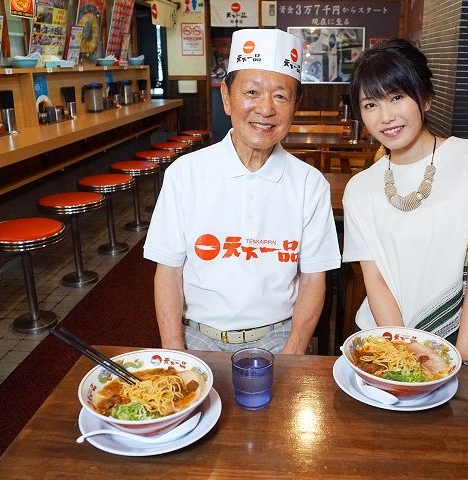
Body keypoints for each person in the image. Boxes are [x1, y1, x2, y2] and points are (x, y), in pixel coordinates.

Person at [144, 29, 341, 354]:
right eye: (252, 92)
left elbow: (313, 278)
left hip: (279, 337)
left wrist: (293, 350)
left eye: (280, 96)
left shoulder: (310, 183)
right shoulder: (185, 173)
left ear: (295, 105)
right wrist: (175, 349)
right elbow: (168, 270)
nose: (265, 109)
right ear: (226, 97)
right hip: (197, 335)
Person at [342, 39, 468, 361]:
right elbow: (375, 279)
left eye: (397, 97)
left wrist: (460, 361)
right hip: (389, 335)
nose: (386, 116)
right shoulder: (360, 188)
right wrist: (408, 354)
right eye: (371, 104)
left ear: (426, 98)